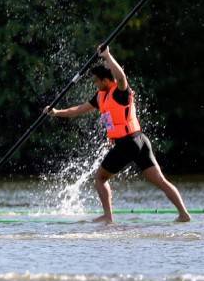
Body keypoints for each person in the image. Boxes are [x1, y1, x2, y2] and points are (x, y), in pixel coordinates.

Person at [45, 46, 190, 223]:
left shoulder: (120, 92)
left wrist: (107, 56)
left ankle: (108, 216)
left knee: (100, 178)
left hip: (128, 143)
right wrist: (57, 112)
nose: (95, 85)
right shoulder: (101, 96)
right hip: (140, 141)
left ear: (106, 80)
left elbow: (121, 76)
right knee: (160, 181)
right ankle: (183, 214)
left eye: (96, 81)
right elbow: (79, 109)